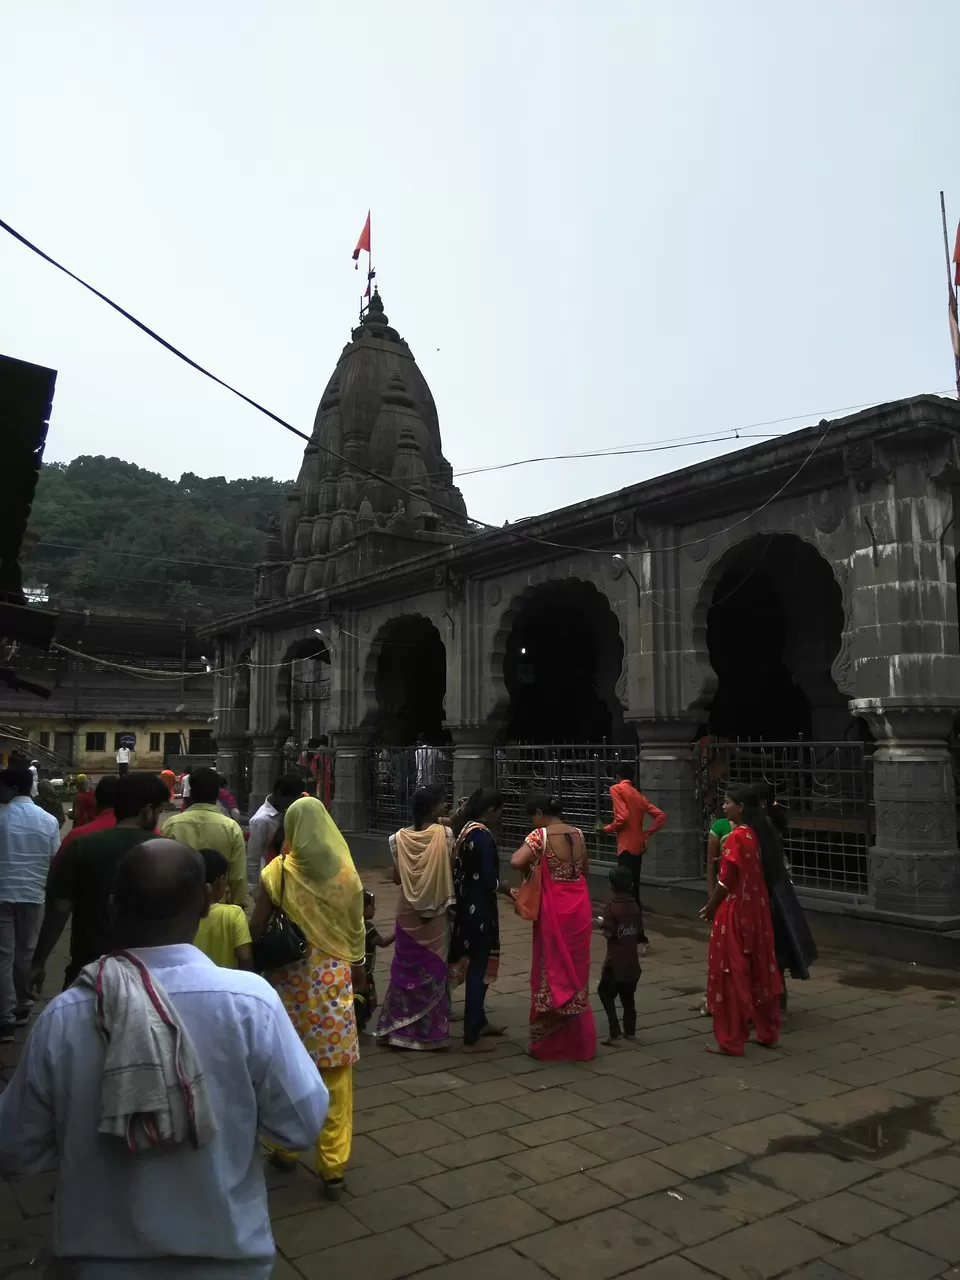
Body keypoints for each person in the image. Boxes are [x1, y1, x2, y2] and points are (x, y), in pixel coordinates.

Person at [0, 838, 329, 1278]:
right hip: (227, 1262)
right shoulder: (251, 1004)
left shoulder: (66, 1016)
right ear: (207, 901)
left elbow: (14, 1150)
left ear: (113, 908)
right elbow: (301, 1123)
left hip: (96, 1264)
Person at [250, 797, 364, 1200]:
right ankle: (333, 1168)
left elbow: (256, 926)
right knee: (336, 1072)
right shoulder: (347, 875)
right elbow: (356, 930)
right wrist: (359, 968)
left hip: (290, 982)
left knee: (288, 1067)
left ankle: (285, 1148)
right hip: (333, 981)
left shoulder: (278, 872)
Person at [29, 771, 169, 992]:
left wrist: (38, 962)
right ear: (147, 810)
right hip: (147, 973)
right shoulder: (167, 850)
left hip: (88, 968)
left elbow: (58, 910)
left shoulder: (80, 845)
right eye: (159, 811)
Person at [511, 794, 596, 1061]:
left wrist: (533, 869)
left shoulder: (540, 836)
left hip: (554, 908)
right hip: (579, 906)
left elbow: (516, 860)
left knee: (551, 968)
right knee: (576, 971)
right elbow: (584, 870)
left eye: (532, 817)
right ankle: (577, 1042)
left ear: (539, 813)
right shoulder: (579, 834)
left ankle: (548, 1044)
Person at [699, 785, 783, 1056]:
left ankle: (730, 1040)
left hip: (735, 912)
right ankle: (767, 1032)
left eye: (727, 802)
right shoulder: (757, 833)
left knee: (731, 973)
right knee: (760, 969)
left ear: (741, 807)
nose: (723, 807)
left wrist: (711, 907)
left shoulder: (736, 837)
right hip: (757, 910)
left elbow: (726, 881)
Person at [376, 783, 455, 1051]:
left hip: (408, 911)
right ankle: (429, 1033)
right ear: (433, 808)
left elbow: (398, 878)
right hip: (435, 911)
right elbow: (450, 867)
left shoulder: (398, 838)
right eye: (442, 802)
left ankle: (398, 1028)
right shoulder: (444, 835)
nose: (445, 806)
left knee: (405, 967)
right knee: (433, 968)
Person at [0, 768, 60, 1042]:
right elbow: (53, 858)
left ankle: (5, 1018)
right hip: (33, 895)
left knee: (4, 956)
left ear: (12, 788)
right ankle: (23, 1006)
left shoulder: (2, 816)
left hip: (3, 894)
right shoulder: (48, 820)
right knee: (25, 953)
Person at [449, 787, 508, 1053]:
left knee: (477, 964)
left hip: (467, 906)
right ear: (492, 811)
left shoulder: (467, 830)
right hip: (481, 909)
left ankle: (480, 1021)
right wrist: (507, 889)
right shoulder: (482, 836)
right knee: (478, 968)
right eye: (500, 811)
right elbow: (488, 879)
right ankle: (471, 1035)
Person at [752, 780, 817, 1009]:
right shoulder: (769, 820)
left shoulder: (763, 826)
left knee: (772, 948)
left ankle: (775, 1002)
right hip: (778, 890)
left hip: (772, 893)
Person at [160, 767, 247, 908]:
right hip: (219, 906)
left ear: (191, 793)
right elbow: (238, 876)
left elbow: (164, 870)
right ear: (217, 794)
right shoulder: (231, 828)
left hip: (181, 907)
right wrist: (238, 905)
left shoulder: (172, 825)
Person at [601, 763, 665, 945]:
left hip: (626, 846)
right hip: (638, 845)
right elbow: (660, 815)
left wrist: (606, 828)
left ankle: (629, 933)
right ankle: (637, 934)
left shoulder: (616, 789)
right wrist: (646, 833)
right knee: (633, 889)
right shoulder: (637, 795)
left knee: (624, 890)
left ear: (617, 776)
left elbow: (622, 817)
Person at [597, 865, 643, 1046]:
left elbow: (609, 933)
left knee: (604, 993)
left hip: (614, 963)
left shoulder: (611, 908)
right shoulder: (635, 906)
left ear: (611, 886)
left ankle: (614, 1030)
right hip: (632, 963)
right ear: (631, 885)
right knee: (628, 997)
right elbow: (638, 931)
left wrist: (601, 924)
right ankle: (630, 1031)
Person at [194, 847, 253, 970]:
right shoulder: (233, 914)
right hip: (225, 981)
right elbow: (245, 956)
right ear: (220, 881)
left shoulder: (183, 914)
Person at [246, 773, 304, 897]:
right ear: (279, 794)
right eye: (291, 799)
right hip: (272, 879)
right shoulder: (261, 820)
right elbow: (253, 859)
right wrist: (254, 890)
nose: (294, 803)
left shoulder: (292, 810)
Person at [51, 774, 119, 870]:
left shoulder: (79, 797)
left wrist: (69, 814)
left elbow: (76, 814)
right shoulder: (93, 794)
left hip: (82, 825)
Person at [354, 890, 393, 1033]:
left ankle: (358, 1021)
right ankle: (360, 1023)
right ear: (363, 908)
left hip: (354, 968)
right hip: (366, 971)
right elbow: (382, 942)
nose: (374, 909)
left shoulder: (352, 925)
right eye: (372, 905)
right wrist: (397, 933)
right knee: (372, 1000)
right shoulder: (369, 928)